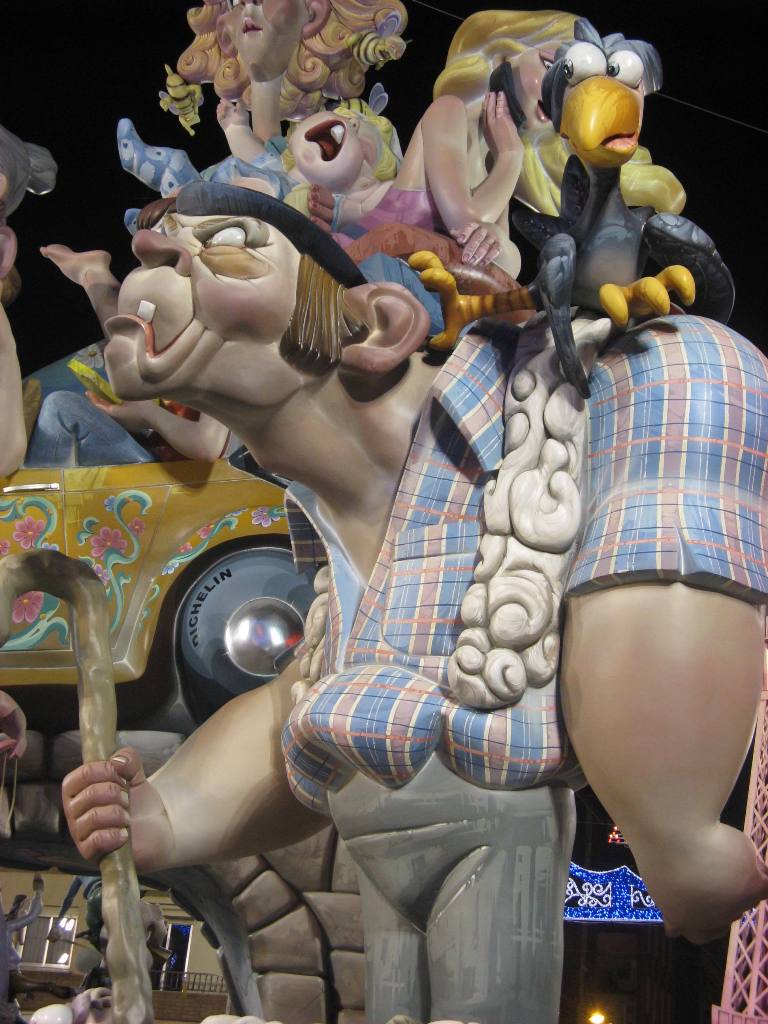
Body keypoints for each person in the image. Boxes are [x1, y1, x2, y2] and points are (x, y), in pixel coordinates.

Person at [60, 183, 768, 1023]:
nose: (157, 255)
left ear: (378, 325)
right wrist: (165, 813)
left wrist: (672, 826)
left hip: (495, 838)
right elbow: (299, 706)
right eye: (160, 245)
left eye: (230, 242)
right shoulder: (325, 525)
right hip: (379, 853)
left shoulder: (576, 403)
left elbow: (649, 574)